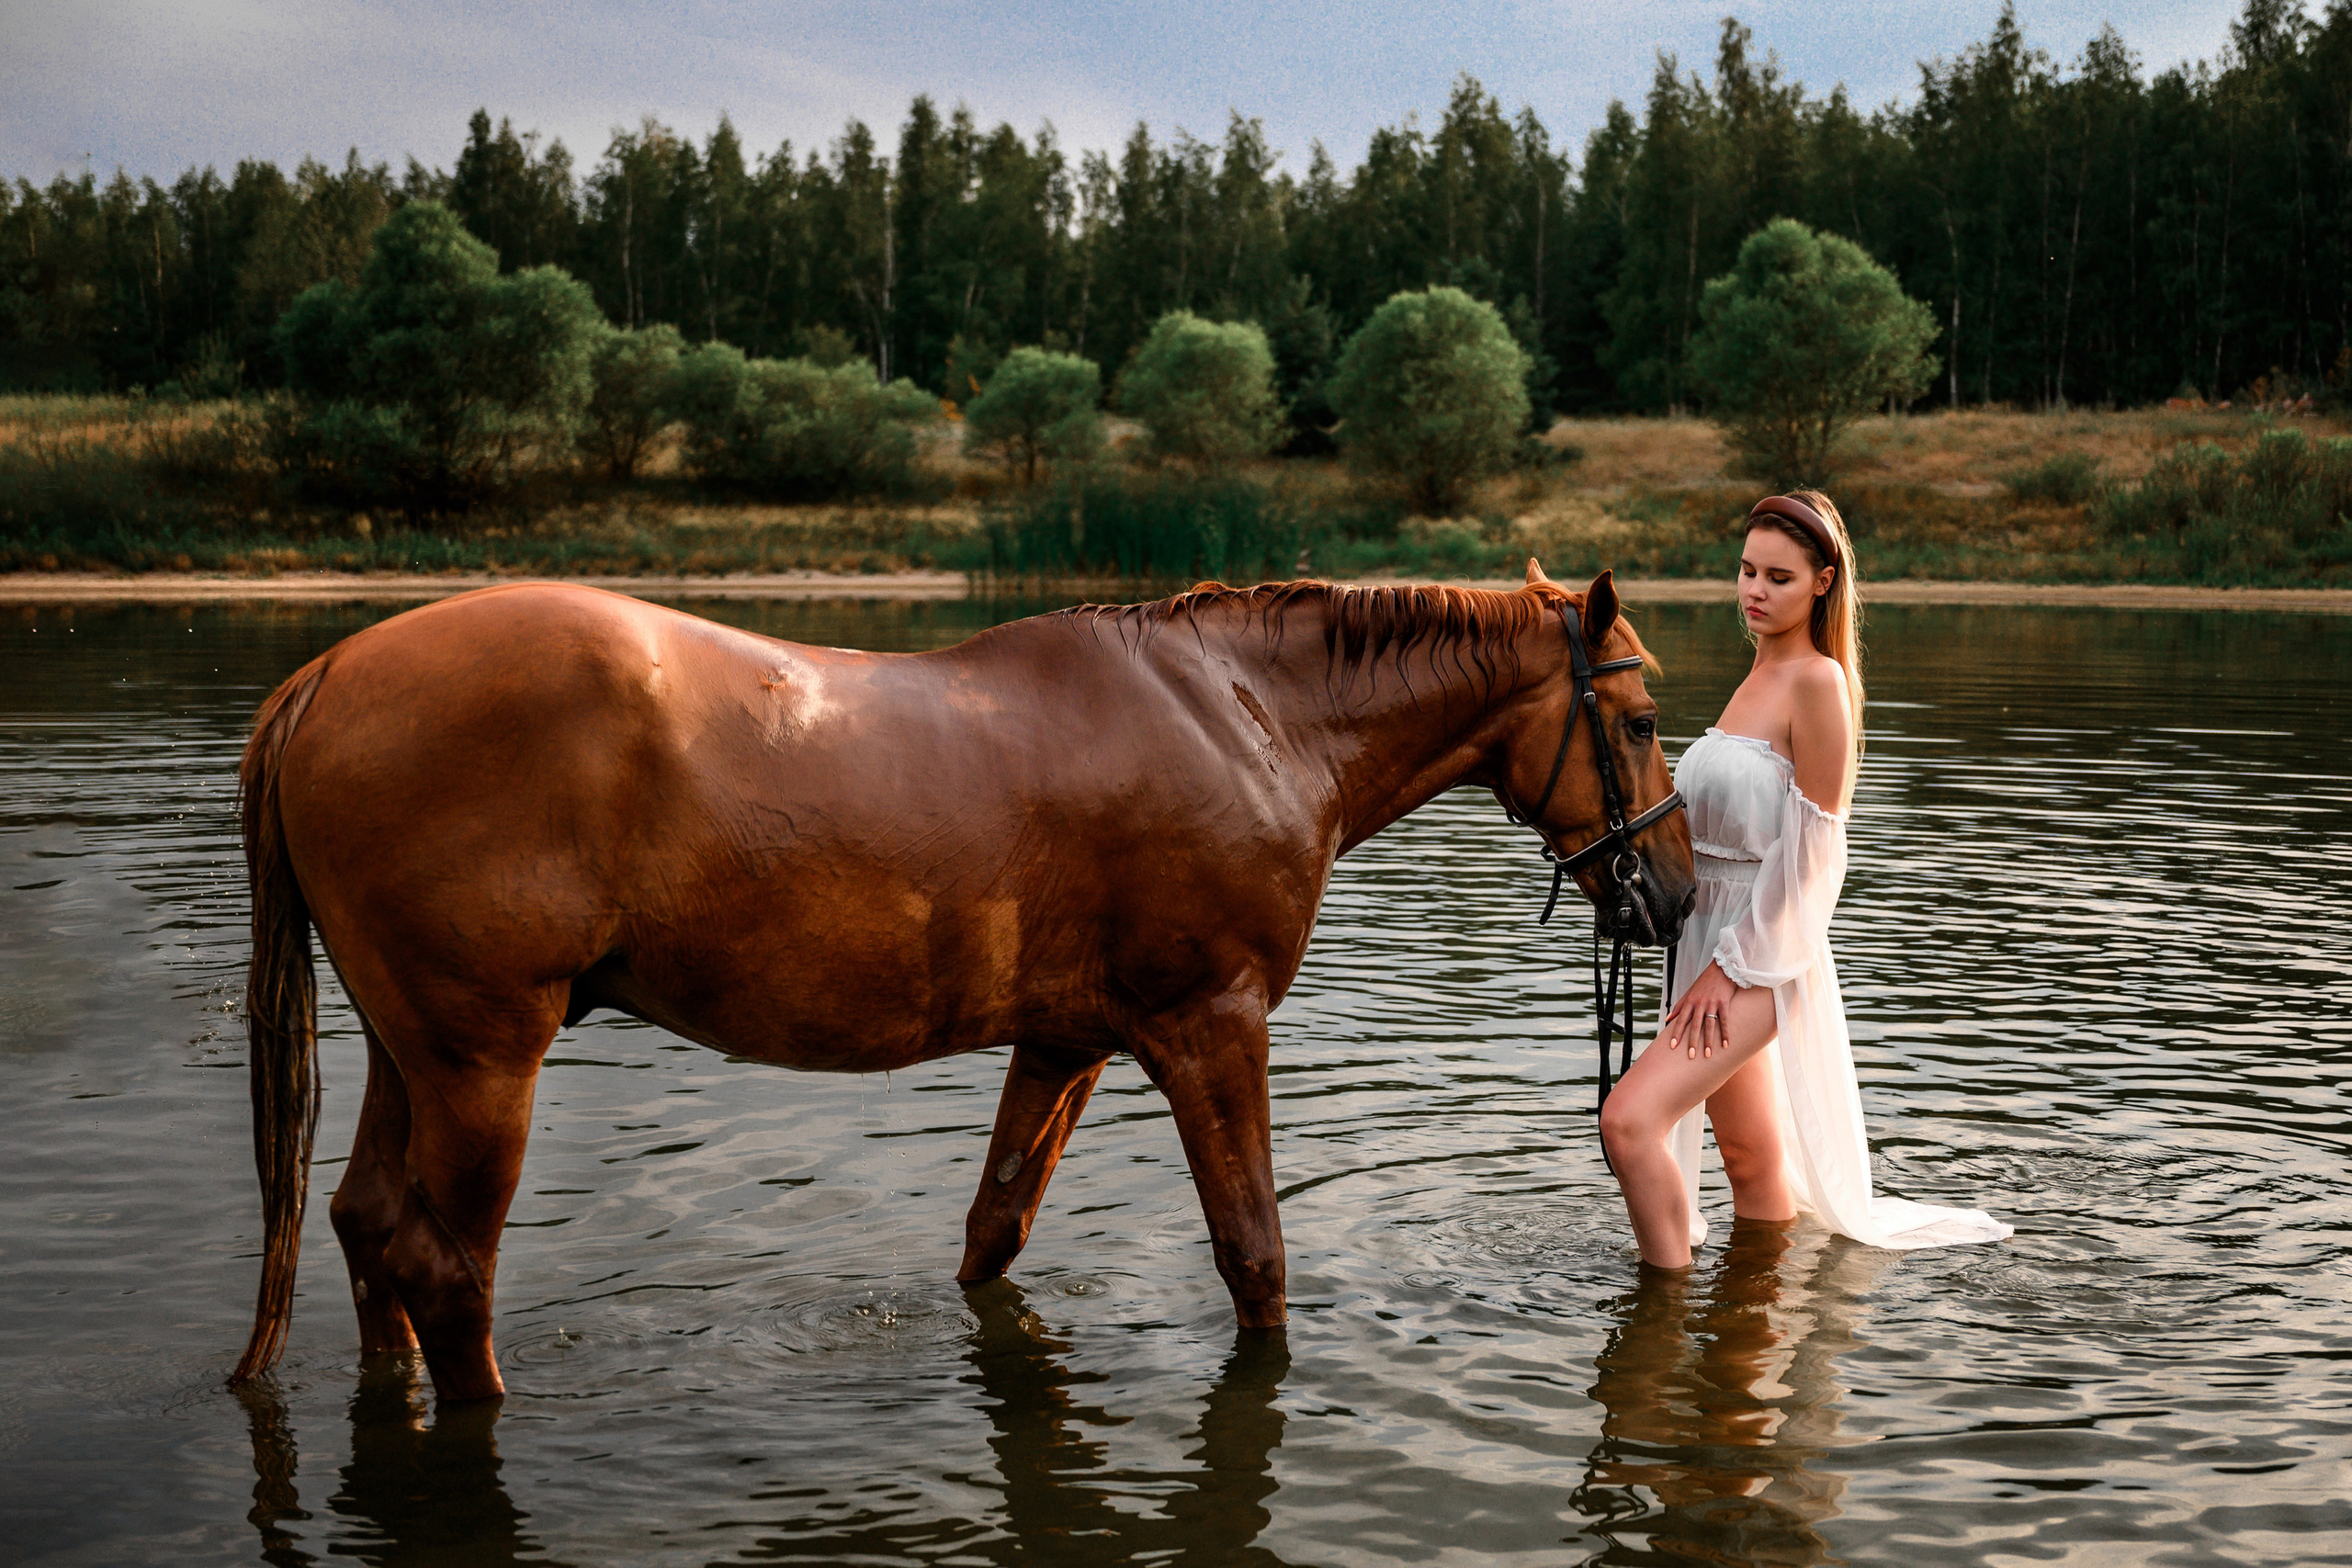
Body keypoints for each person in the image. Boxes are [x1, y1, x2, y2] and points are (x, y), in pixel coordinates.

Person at [1597, 491, 2011, 1268]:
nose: (1755, 590)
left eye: (1779, 577)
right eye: (1747, 570)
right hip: (1700, 943)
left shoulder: (1818, 683)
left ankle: (1662, 1315)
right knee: (1752, 1164)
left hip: (1763, 955)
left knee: (1628, 1121)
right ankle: (1756, 1334)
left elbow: (1816, 860)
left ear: (1823, 582)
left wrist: (1732, 969)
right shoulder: (1752, 676)